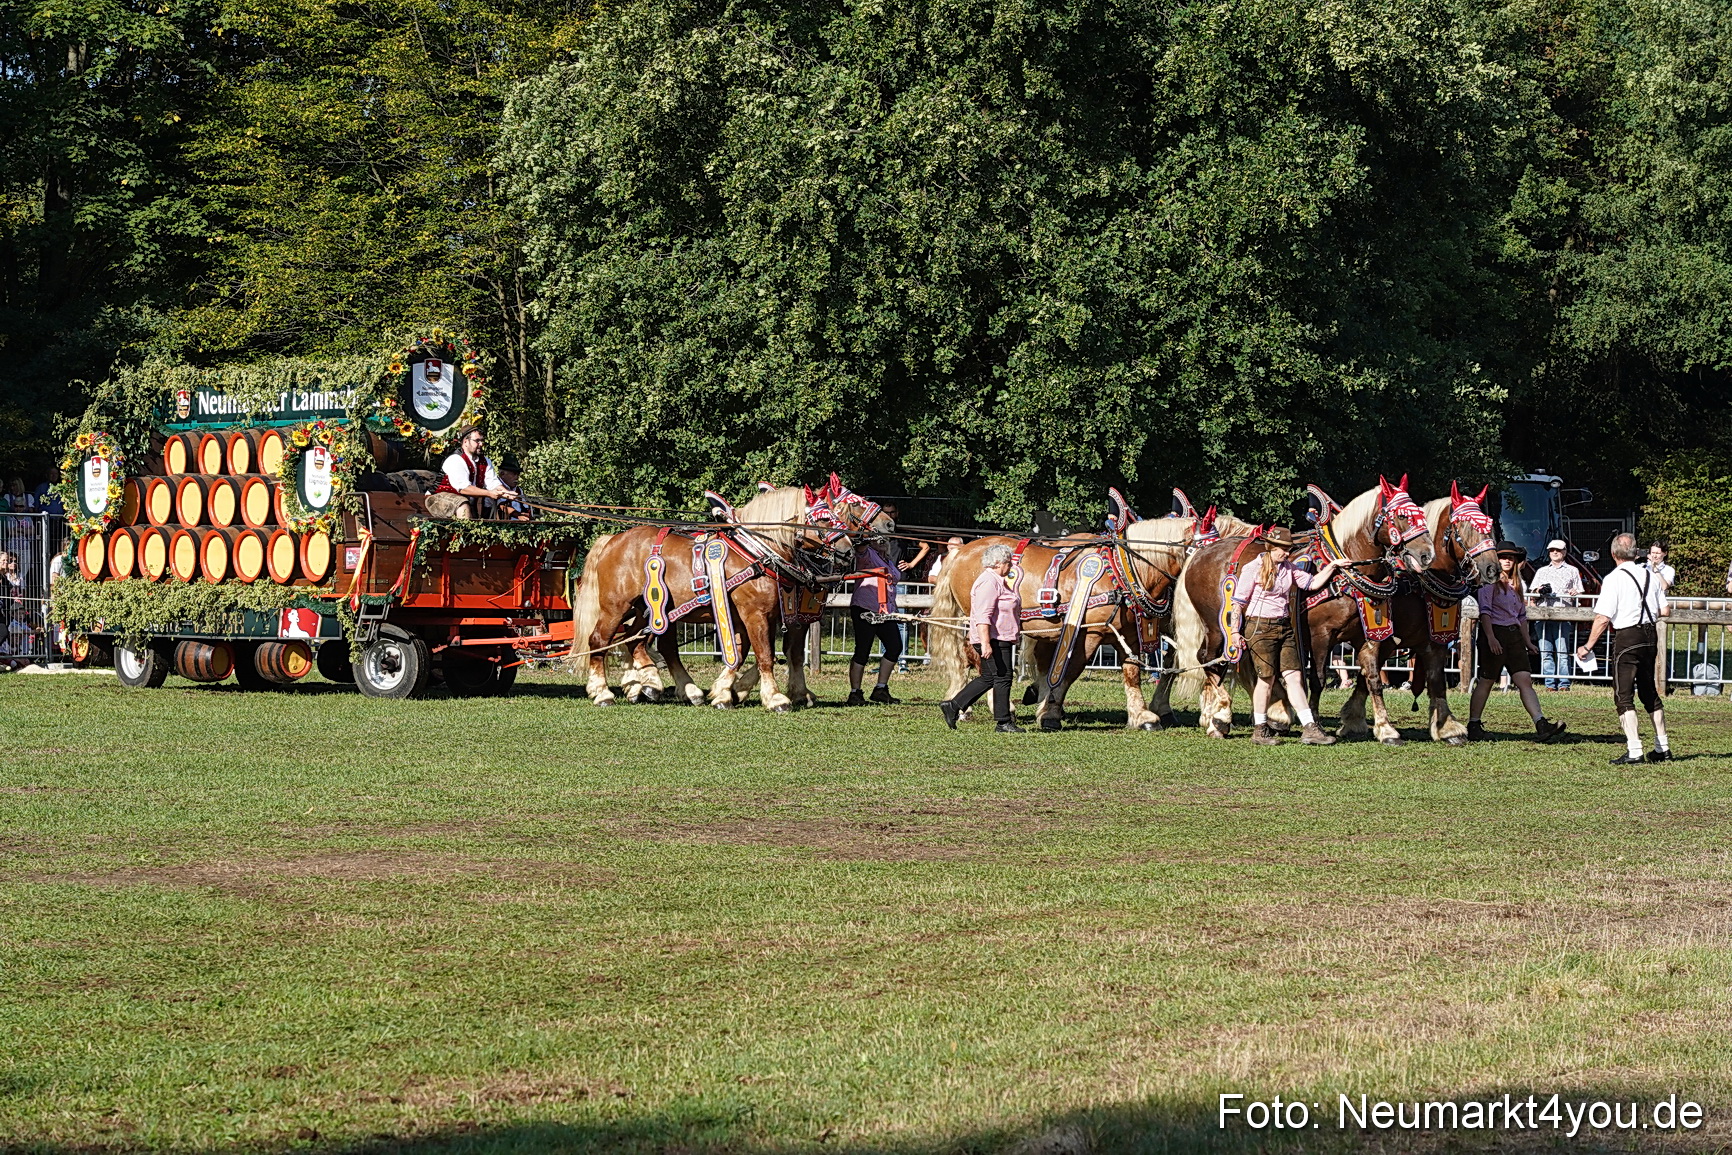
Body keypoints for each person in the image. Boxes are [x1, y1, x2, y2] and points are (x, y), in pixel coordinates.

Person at [1228, 527, 1339, 745]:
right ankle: (1260, 729)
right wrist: (1234, 632)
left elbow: (1312, 583)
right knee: (1266, 679)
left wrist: (1332, 567)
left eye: (1289, 549)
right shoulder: (1253, 568)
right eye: (1282, 549)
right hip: (1259, 627)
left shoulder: (1289, 568)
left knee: (1294, 677)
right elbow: (1238, 602)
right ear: (1270, 547)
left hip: (1284, 626)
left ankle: (1309, 728)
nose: (1286, 553)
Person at [1578, 533, 1671, 764]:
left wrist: (1588, 646)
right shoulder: (1650, 574)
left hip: (1627, 636)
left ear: (1613, 554)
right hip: (1650, 635)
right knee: (1649, 691)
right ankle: (1663, 746)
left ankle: (1635, 749)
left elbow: (1602, 617)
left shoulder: (1613, 578)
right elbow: (1665, 610)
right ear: (1636, 553)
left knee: (1623, 694)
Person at [1466, 542, 1567, 742]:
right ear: (1496, 560)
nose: (1507, 561)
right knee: (1486, 680)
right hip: (1494, 633)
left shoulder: (1517, 585)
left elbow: (1521, 616)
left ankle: (1541, 724)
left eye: (1511, 558)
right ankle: (1474, 724)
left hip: (1514, 637)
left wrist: (1527, 641)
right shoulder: (1488, 583)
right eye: (1503, 557)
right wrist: (1491, 637)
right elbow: (1485, 613)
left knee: (1524, 681)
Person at [939, 543, 1024, 732]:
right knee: (1002, 677)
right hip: (993, 637)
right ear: (997, 563)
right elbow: (983, 614)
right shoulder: (989, 582)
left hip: (999, 636)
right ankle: (1003, 722)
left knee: (988, 677)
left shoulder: (997, 581)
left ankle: (953, 706)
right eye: (1007, 563)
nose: (1010, 566)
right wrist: (985, 643)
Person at [846, 537, 906, 705]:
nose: (881, 542)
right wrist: (865, 538)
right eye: (877, 539)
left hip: (885, 610)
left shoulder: (887, 559)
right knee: (863, 650)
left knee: (895, 647)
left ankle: (881, 689)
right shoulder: (867, 554)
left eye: (884, 539)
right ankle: (855, 693)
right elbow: (860, 548)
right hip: (865, 608)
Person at [425, 426, 515, 519]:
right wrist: (489, 493)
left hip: (463, 501)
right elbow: (464, 488)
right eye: (477, 441)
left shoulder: (485, 461)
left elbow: (493, 483)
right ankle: (464, 532)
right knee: (462, 503)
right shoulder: (455, 459)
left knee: (476, 504)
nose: (481, 444)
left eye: (482, 441)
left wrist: (506, 492)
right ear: (465, 442)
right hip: (436, 499)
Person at [1528, 539, 1583, 691]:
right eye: (1552, 550)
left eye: (1558, 550)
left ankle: (1564, 683)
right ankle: (1550, 684)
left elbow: (1579, 590)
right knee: (1545, 652)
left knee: (1562, 652)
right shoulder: (1541, 571)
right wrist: (1538, 591)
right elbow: (1531, 593)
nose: (1555, 553)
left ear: (1564, 552)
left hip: (1563, 615)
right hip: (1543, 614)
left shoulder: (1572, 570)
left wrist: (1575, 593)